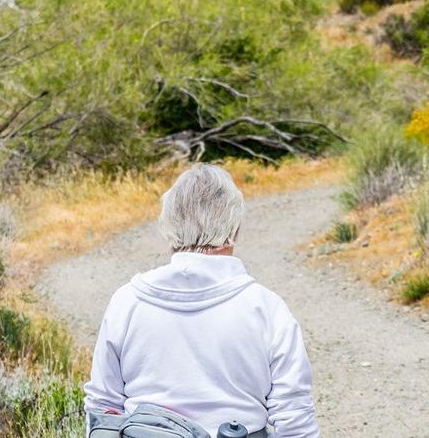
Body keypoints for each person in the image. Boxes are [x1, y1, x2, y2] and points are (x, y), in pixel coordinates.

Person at [83, 164, 321, 438]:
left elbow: (102, 410)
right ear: (234, 228)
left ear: (169, 225)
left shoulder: (127, 301)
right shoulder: (267, 309)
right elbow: (295, 421)